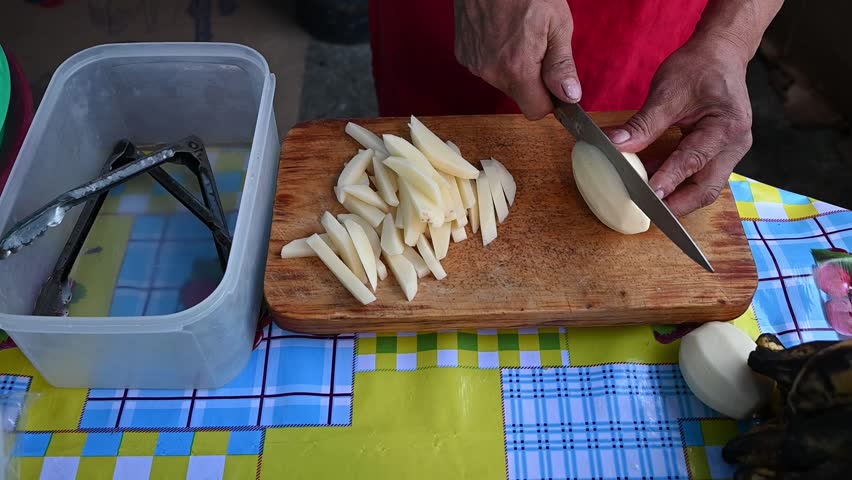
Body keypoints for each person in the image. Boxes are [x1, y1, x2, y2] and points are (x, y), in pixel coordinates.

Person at [368, 0, 784, 216]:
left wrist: (730, 38)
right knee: (424, 156)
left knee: (628, 131)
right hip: (462, 20)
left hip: (651, 28)